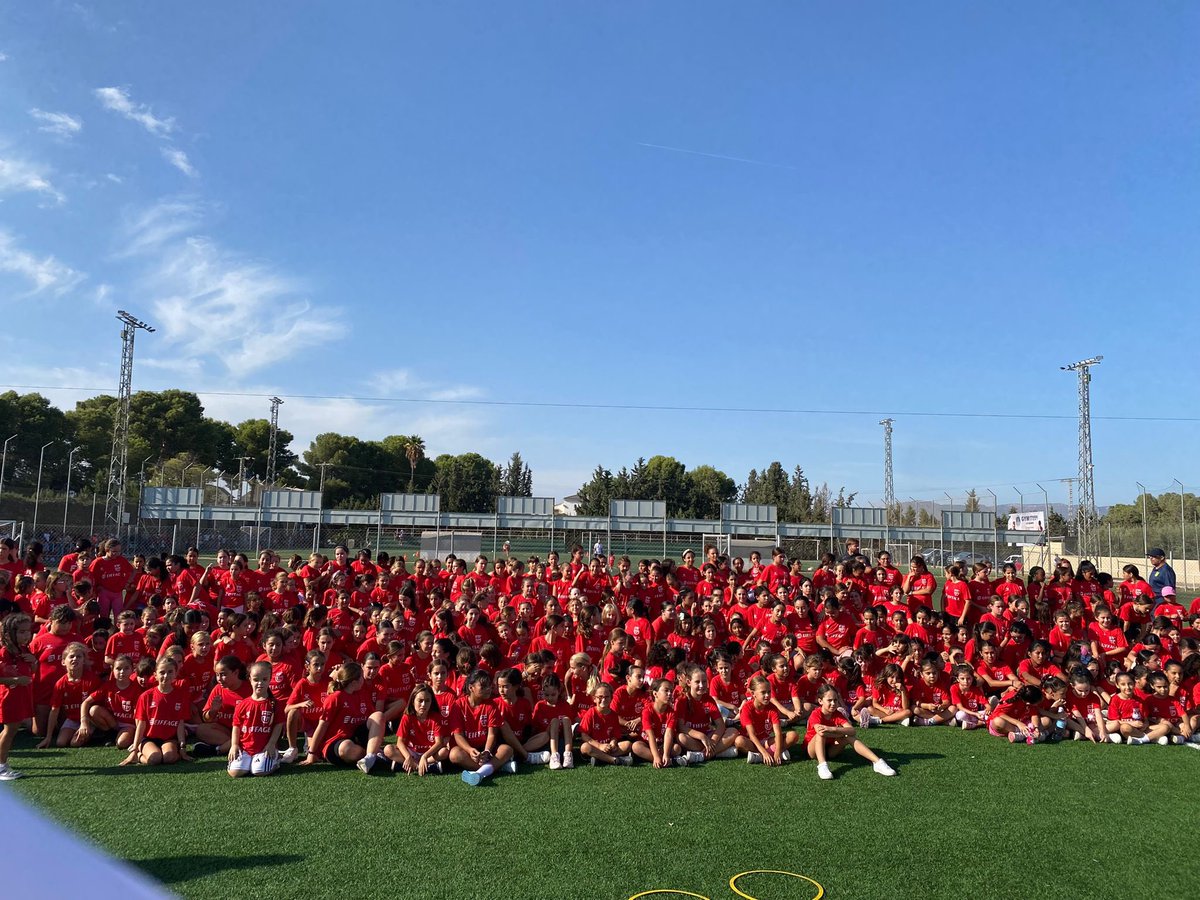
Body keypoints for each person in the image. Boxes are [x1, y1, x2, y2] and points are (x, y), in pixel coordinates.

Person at [805, 684, 896, 780]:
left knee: (849, 736)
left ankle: (877, 762)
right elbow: (821, 732)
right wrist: (840, 732)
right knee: (820, 734)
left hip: (831, 750)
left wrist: (833, 729)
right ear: (820, 701)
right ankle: (822, 765)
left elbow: (852, 731)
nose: (833, 703)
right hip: (813, 751)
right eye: (829, 700)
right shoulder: (816, 713)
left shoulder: (837, 714)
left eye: (835, 700)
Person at [122, 656, 193, 766]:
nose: (166, 676)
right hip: (149, 738)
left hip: (169, 738)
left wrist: (182, 747)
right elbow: (141, 725)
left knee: (168, 758)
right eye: (162, 672)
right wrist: (134, 750)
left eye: (170, 672)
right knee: (155, 759)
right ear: (155, 675)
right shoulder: (146, 696)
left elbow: (180, 723)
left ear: (175, 673)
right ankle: (139, 756)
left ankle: (175, 751)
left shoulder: (181, 695)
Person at [227, 661, 284, 777]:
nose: (260, 683)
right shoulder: (242, 704)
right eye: (256, 679)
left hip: (264, 748)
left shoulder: (274, 704)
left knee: (259, 771)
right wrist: (234, 745)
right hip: (245, 748)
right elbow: (236, 726)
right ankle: (249, 762)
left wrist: (271, 744)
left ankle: (276, 758)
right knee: (235, 773)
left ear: (269, 679)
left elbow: (278, 725)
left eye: (264, 679)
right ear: (250, 679)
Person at [0, 613, 35, 780]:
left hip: (21, 694)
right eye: (21, 632)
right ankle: (1, 766)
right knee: (10, 730)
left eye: (28, 631)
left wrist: (34, 661)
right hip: (9, 696)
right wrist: (15, 680)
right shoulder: (3, 652)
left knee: (11, 730)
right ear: (9, 634)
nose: (26, 635)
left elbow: (32, 671)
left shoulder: (23, 649)